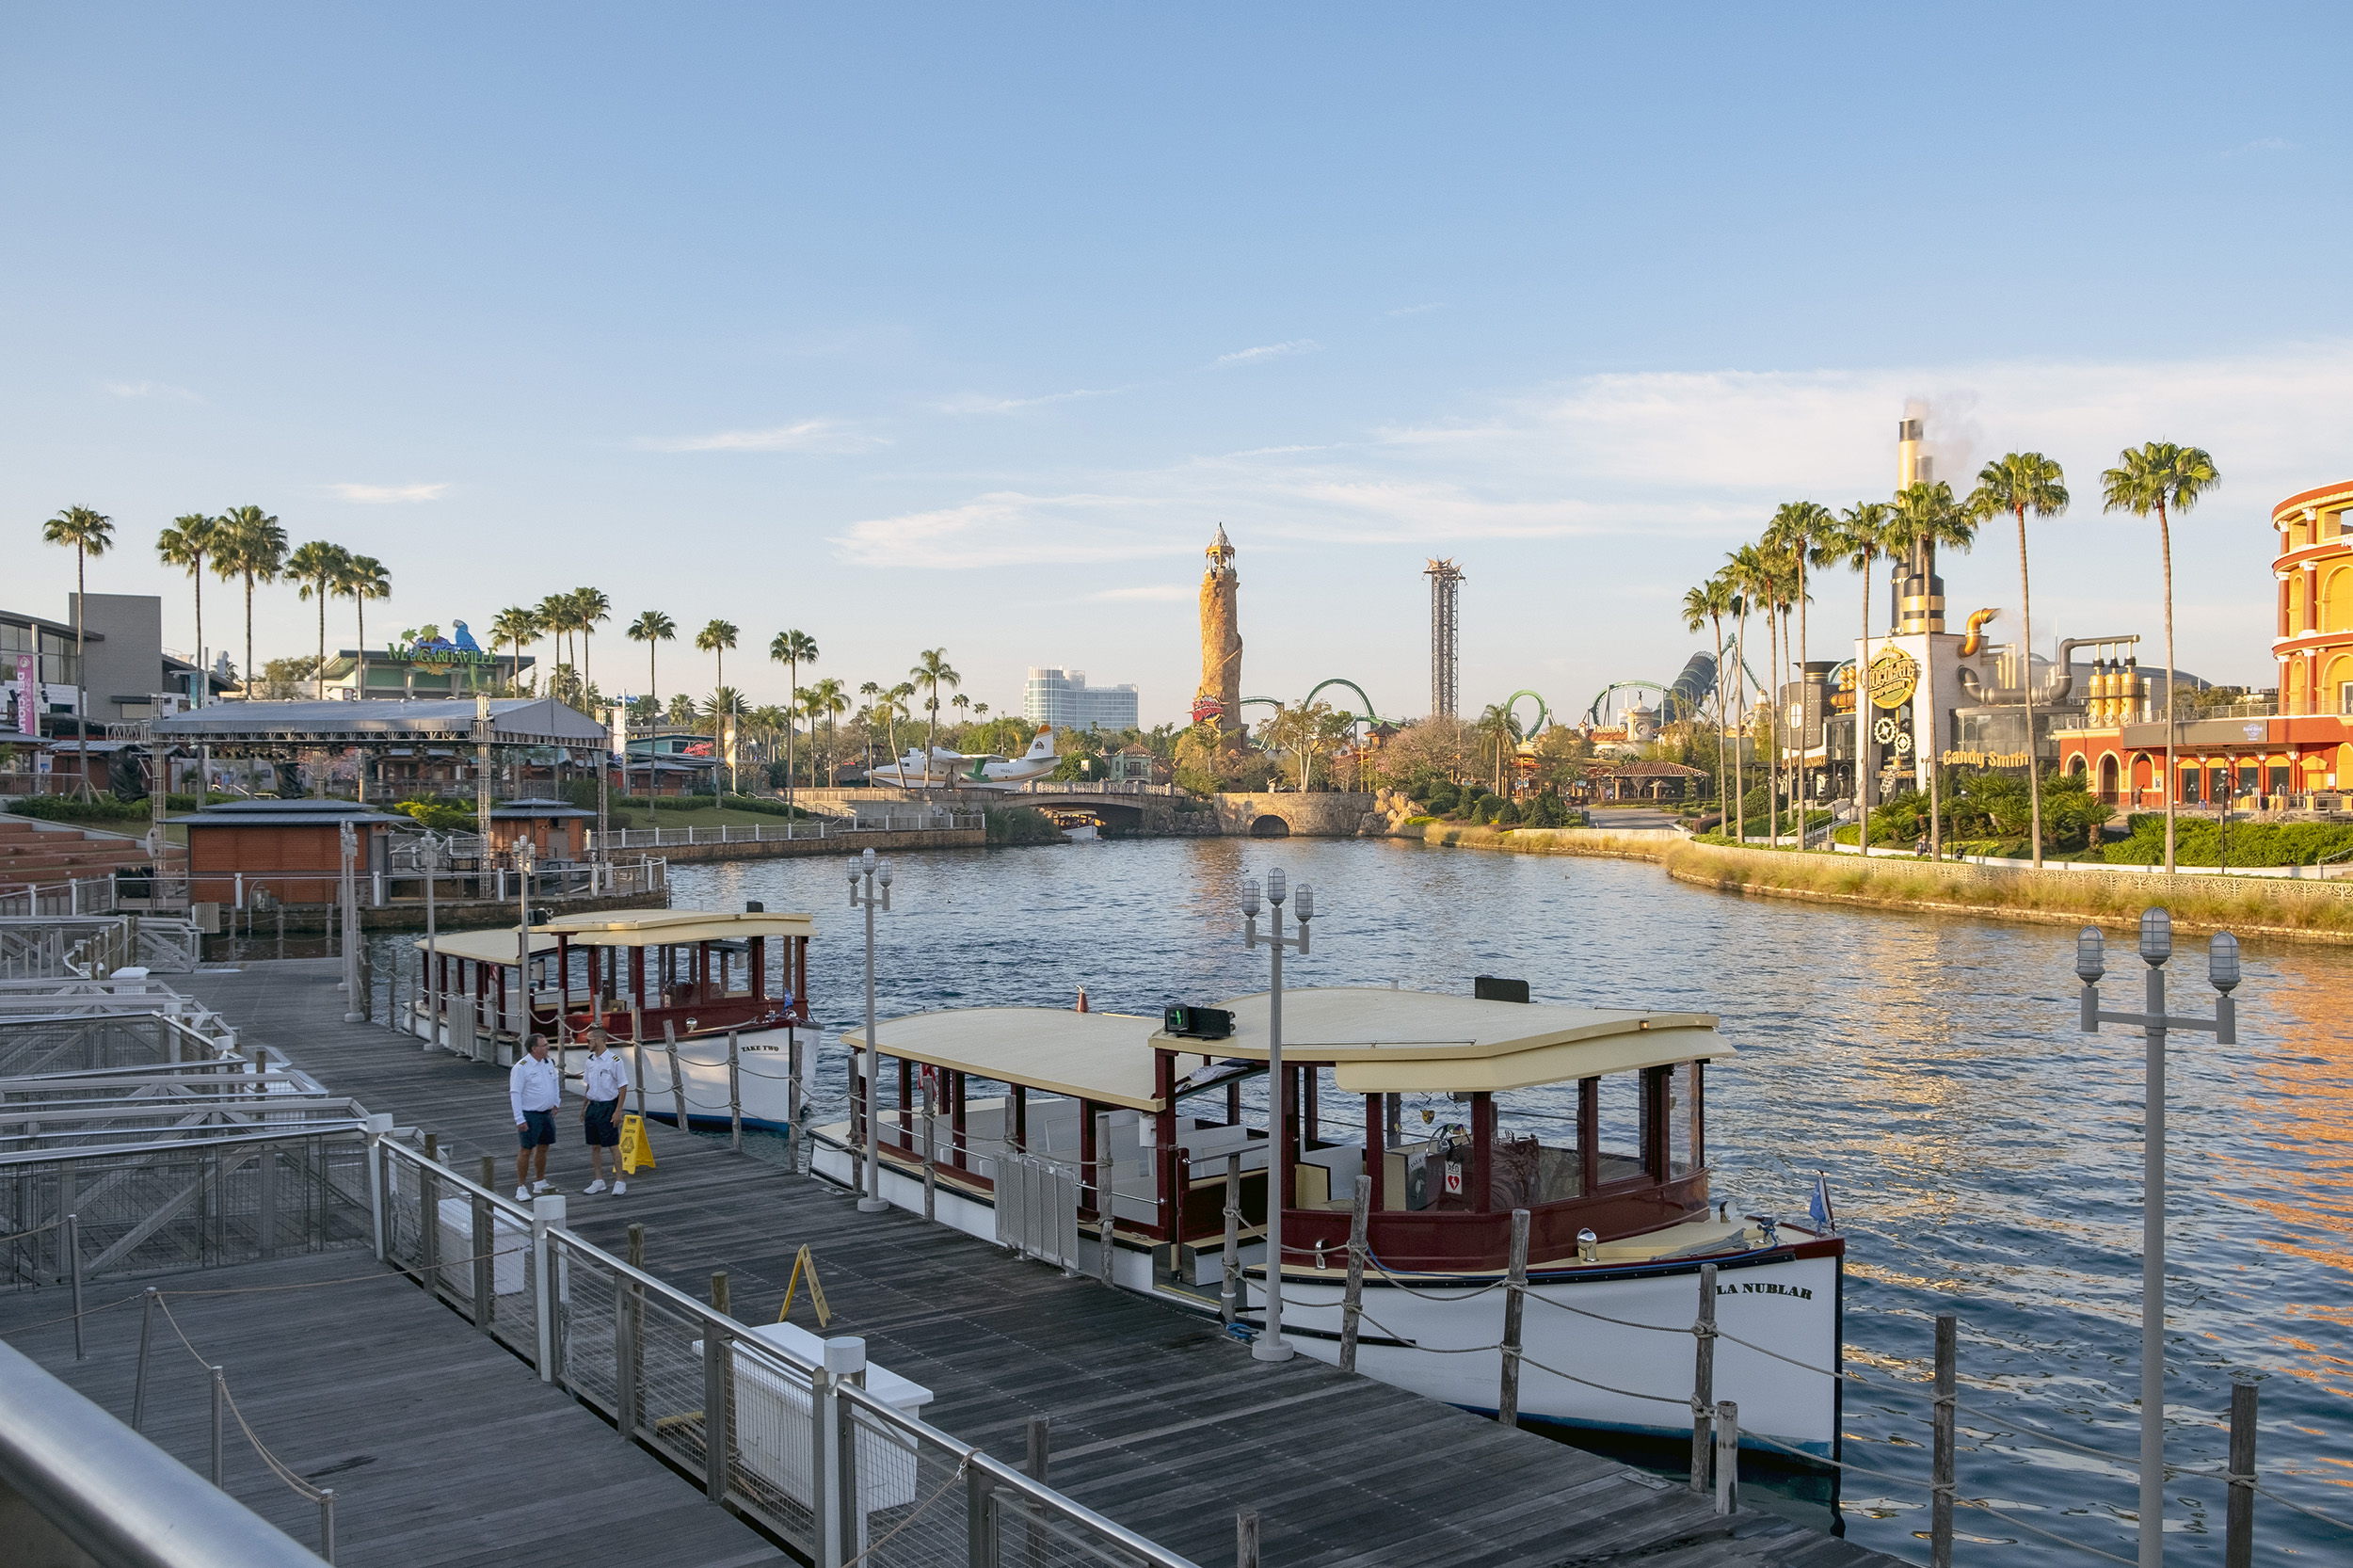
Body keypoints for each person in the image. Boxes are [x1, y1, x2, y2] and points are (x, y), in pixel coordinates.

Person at [578, 1026, 632, 1195]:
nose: (587, 1043)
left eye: (590, 1040)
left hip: (608, 1106)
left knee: (613, 1145)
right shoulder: (590, 1061)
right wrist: (584, 1107)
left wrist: (618, 1110)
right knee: (595, 1145)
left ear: (599, 1040)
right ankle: (598, 1180)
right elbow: (589, 1085)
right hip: (593, 1106)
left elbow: (623, 1086)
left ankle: (620, 1181)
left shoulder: (614, 1061)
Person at [510, 1033, 561, 1200]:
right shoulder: (521, 1067)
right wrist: (519, 1118)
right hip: (530, 1113)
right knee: (526, 1149)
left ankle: (540, 1181)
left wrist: (556, 1101)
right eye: (544, 1045)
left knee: (544, 1146)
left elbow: (555, 1083)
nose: (548, 1047)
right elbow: (515, 1093)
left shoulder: (548, 1063)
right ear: (534, 1049)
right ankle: (521, 1187)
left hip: (546, 1113)